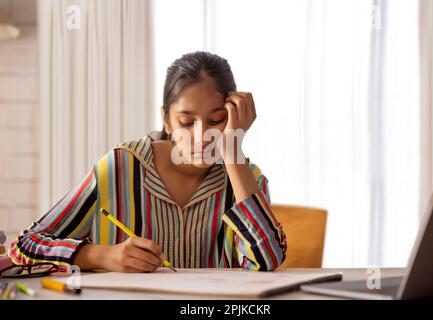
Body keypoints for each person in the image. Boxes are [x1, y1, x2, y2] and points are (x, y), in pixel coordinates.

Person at [8, 51, 287, 273]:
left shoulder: (247, 179)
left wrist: (234, 151)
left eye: (215, 121)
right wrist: (103, 256)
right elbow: (25, 245)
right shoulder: (120, 167)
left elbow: (267, 259)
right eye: (187, 122)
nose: (202, 137)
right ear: (165, 118)